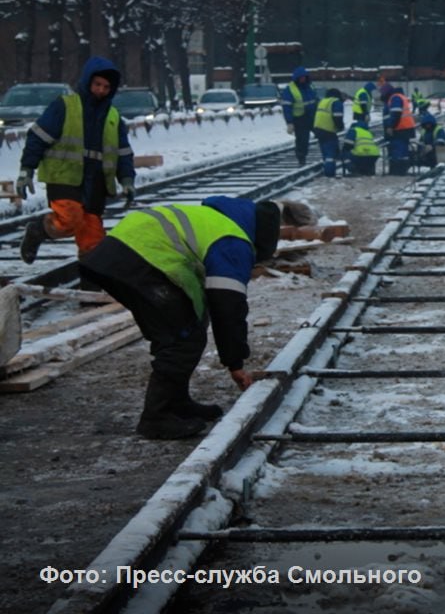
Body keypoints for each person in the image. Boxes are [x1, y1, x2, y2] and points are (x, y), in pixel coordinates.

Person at [78, 196, 313, 439]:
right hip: (139, 262)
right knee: (181, 339)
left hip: (121, 255)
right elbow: (228, 307)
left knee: (184, 329)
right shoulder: (233, 242)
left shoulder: (219, 221)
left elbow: (212, 302)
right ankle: (156, 418)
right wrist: (235, 363)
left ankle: (176, 404)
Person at [17, 56, 136, 265]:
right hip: (64, 178)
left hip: (96, 183)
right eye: (97, 84)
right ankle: (38, 230)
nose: (101, 90)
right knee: (69, 220)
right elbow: (38, 137)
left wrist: (127, 180)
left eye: (106, 87)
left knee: (93, 239)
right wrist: (27, 169)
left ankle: (89, 291)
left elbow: (123, 153)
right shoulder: (64, 106)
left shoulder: (113, 116)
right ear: (87, 81)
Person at [281, 66, 319, 165]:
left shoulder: (310, 87)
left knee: (324, 135)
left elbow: (315, 100)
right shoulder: (290, 90)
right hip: (300, 119)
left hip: (312, 116)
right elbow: (287, 107)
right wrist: (289, 122)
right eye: (301, 77)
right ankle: (301, 159)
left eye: (304, 77)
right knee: (302, 140)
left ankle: (328, 156)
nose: (303, 79)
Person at [313, 88, 345, 178]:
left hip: (318, 129)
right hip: (328, 129)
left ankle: (327, 169)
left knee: (325, 151)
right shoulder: (336, 102)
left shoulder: (323, 101)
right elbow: (337, 116)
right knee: (331, 152)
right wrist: (340, 127)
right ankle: (330, 173)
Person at [385, 86, 417, 176]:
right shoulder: (403, 97)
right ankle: (403, 170)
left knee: (398, 148)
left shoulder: (395, 98)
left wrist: (391, 126)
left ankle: (397, 171)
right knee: (404, 150)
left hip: (400, 128)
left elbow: (396, 113)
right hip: (407, 127)